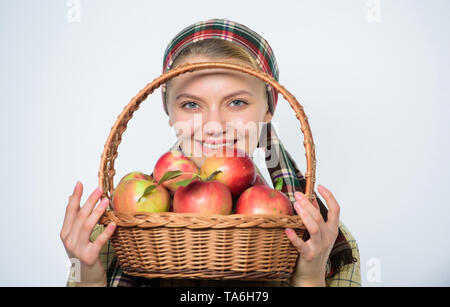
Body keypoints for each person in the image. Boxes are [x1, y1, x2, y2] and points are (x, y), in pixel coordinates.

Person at [62, 18, 361, 287]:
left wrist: (309, 278)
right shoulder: (117, 230)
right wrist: (90, 281)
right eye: (191, 105)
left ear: (268, 111)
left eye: (237, 103)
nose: (214, 126)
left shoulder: (318, 236)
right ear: (171, 115)